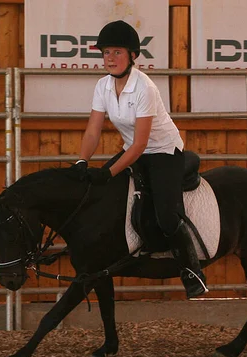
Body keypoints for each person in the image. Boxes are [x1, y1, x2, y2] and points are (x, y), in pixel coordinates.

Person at [74, 20, 208, 298]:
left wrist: (108, 172)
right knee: (97, 191)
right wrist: (82, 162)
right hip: (132, 148)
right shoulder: (102, 86)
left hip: (162, 151)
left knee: (168, 216)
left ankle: (192, 271)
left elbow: (141, 144)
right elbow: (93, 129)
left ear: (133, 55)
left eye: (117, 52)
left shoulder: (145, 87)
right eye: (106, 53)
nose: (110, 58)